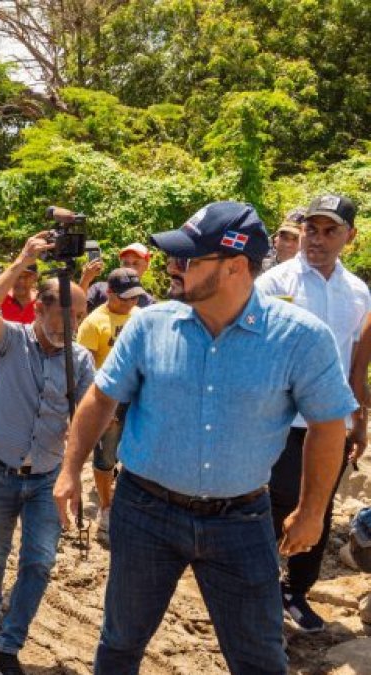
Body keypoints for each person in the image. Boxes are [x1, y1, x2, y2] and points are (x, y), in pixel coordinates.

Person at [53, 201, 355, 674]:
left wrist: (313, 511)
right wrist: (70, 471)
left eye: (190, 259)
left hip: (241, 521)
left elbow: (328, 424)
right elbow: (100, 398)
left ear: (235, 266)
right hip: (145, 513)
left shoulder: (300, 338)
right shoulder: (151, 326)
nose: (174, 267)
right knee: (120, 644)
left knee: (260, 659)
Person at [0, 232, 94, 675]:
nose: (72, 325)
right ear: (38, 310)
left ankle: (6, 646)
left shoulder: (78, 360)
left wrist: (75, 473)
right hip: (0, 472)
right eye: (64, 315)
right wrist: (20, 262)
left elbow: (83, 415)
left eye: (78, 316)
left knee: (38, 563)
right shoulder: (11, 340)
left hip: (45, 475)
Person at [254, 194, 370, 633]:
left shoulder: (358, 292)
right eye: (311, 229)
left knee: (317, 510)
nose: (317, 239)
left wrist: (360, 421)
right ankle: (261, 596)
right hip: (279, 421)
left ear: (350, 237)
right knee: (272, 506)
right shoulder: (273, 283)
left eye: (329, 231)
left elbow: (356, 365)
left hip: (332, 424)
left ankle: (295, 593)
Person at [74, 267, 146, 538]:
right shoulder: (94, 323)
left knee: (138, 453)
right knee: (106, 456)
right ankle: (106, 506)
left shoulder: (142, 317)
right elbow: (86, 369)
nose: (130, 303)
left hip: (140, 397)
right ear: (109, 293)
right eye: (124, 298)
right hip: (110, 399)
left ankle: (133, 504)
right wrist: (101, 409)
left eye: (135, 297)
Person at [81, 242, 155, 311]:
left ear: (146, 266)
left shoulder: (148, 303)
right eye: (126, 263)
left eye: (136, 263)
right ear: (120, 265)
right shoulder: (99, 289)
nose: (130, 267)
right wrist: (85, 279)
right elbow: (77, 309)